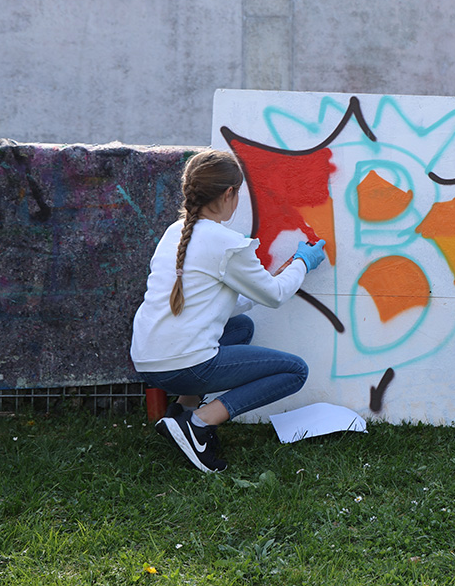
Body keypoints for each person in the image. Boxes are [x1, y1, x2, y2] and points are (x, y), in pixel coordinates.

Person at [130, 148, 328, 473]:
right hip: (181, 366)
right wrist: (303, 264)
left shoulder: (174, 233)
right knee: (295, 371)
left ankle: (180, 413)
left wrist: (267, 282)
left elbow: (218, 302)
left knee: (241, 328)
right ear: (229, 193)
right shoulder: (227, 242)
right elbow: (276, 296)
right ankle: (199, 423)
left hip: (148, 361)